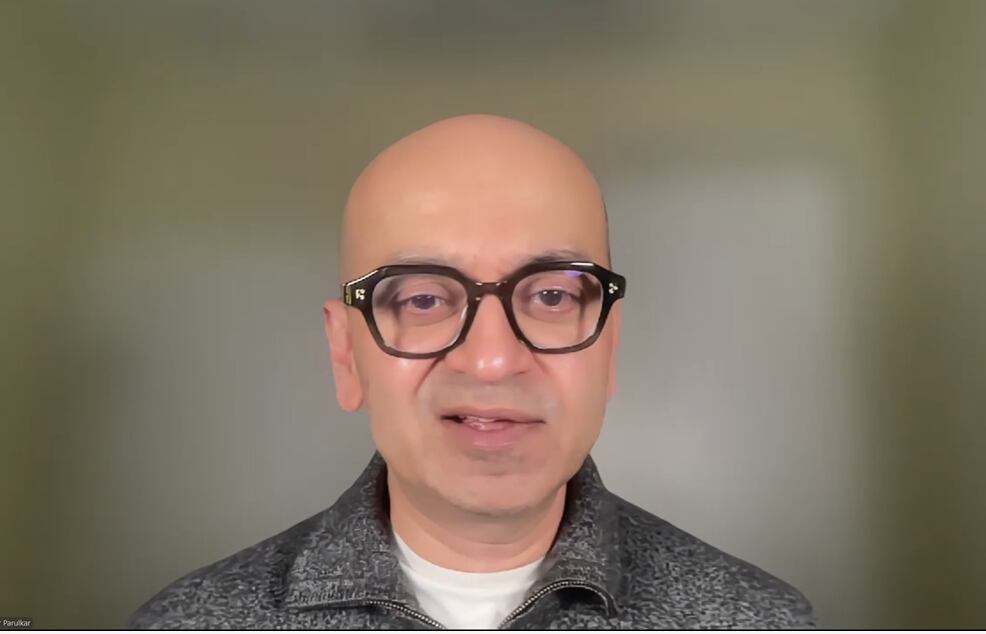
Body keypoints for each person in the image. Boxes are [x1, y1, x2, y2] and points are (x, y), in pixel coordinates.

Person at [129, 114, 815, 629]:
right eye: (423, 299)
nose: (492, 360)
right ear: (346, 356)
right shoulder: (185, 625)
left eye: (552, 296)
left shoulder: (763, 623)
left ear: (608, 348)